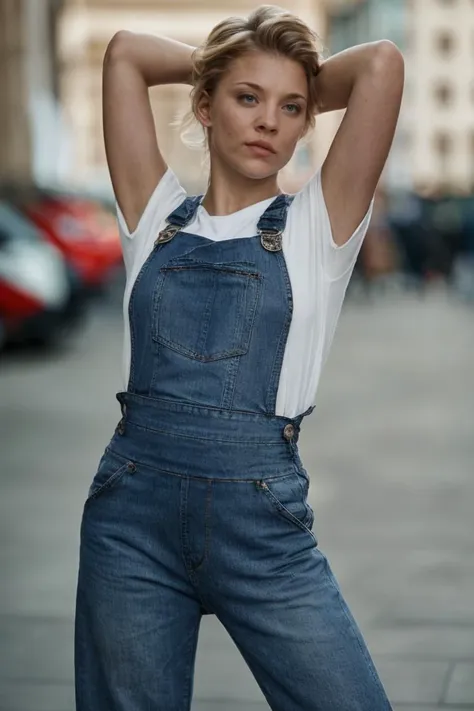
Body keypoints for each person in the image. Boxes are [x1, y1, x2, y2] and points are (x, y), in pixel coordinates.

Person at [74, 5, 404, 710]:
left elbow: (380, 65)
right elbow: (126, 53)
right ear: (206, 105)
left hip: (263, 530)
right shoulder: (153, 215)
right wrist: (222, 56)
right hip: (130, 522)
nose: (269, 122)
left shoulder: (321, 225)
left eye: (292, 108)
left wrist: (273, 72)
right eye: (246, 98)